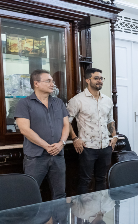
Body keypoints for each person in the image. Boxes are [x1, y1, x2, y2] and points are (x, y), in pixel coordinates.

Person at [15, 69, 69, 200]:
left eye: (52, 81)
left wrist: (61, 143)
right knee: (30, 194)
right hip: (35, 157)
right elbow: (25, 130)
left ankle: (58, 220)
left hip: (58, 155)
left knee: (60, 194)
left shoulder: (58, 102)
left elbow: (66, 125)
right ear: (36, 83)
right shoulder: (24, 103)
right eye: (48, 81)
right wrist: (47, 146)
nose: (52, 84)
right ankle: (33, 221)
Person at [67, 68, 118, 194]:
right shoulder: (77, 100)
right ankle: (84, 213)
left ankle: (100, 211)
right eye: (96, 78)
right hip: (87, 148)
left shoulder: (107, 100)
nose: (99, 81)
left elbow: (110, 120)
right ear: (87, 80)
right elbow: (65, 121)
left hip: (105, 146)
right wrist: (75, 138)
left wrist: (114, 136)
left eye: (101, 78)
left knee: (102, 179)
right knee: (85, 180)